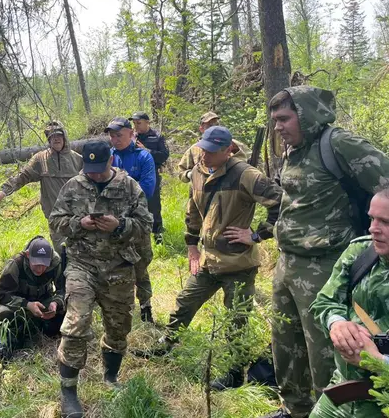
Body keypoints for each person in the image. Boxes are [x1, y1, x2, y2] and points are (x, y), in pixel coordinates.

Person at [263, 86, 389, 418]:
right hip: (288, 261)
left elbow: (385, 181)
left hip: (326, 263)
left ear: (306, 114)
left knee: (324, 348)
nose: (278, 127)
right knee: (285, 343)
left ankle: (330, 408)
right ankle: (295, 408)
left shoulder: (338, 144)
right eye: (274, 120)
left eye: (284, 119)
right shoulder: (295, 150)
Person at [162, 126, 282, 389]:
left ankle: (234, 374)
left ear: (228, 151)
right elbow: (193, 211)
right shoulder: (197, 172)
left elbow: (280, 203)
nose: (205, 155)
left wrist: (257, 235)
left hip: (238, 263)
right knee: (185, 302)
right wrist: (191, 245)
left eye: (212, 151)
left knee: (236, 321)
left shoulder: (246, 175)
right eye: (203, 149)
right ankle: (165, 345)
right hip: (208, 260)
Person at [49, 140, 153, 418]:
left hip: (119, 268)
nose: (93, 174)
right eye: (89, 168)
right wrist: (77, 223)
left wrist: (120, 226)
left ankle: (111, 377)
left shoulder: (130, 187)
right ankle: (69, 391)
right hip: (82, 266)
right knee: (76, 322)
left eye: (98, 168)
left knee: (118, 327)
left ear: (111, 162)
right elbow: (55, 221)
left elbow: (145, 227)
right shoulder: (73, 186)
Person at [308, 188, 389, 418]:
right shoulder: (361, 252)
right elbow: (325, 300)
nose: (373, 228)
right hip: (342, 392)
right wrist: (337, 323)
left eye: (385, 221)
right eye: (372, 218)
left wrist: (377, 361)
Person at [0, 121, 83, 252]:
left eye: (59, 135)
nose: (56, 139)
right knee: (62, 253)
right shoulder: (41, 159)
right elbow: (22, 176)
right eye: (52, 136)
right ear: (48, 139)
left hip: (77, 216)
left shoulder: (77, 159)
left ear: (65, 137)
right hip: (56, 218)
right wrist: (4, 191)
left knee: (80, 254)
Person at [105, 116, 156, 323]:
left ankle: (145, 307)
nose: (115, 139)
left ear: (131, 134)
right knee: (115, 265)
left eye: (119, 135)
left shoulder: (143, 157)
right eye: (111, 136)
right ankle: (119, 310)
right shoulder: (108, 156)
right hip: (113, 223)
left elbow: (148, 189)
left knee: (141, 265)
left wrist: (120, 194)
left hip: (137, 221)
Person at [0, 236, 65, 350]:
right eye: (36, 264)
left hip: (43, 302)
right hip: (19, 305)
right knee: (2, 313)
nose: (40, 269)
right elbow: (1, 294)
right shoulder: (16, 264)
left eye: (44, 265)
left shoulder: (55, 262)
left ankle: (42, 326)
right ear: (27, 255)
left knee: (70, 307)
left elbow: (63, 290)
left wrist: (56, 303)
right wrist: (27, 305)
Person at [129, 111, 170, 242]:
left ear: (147, 122)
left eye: (139, 123)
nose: (136, 126)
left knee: (153, 204)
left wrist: (146, 150)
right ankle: (138, 234)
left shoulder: (157, 137)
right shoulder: (132, 137)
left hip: (152, 175)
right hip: (135, 175)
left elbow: (164, 155)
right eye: (134, 123)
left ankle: (158, 234)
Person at [177, 111, 249, 183]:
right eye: (210, 126)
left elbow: (254, 160)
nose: (214, 128)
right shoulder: (194, 149)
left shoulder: (234, 145)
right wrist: (190, 175)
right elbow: (181, 171)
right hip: (201, 191)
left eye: (217, 125)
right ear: (201, 129)